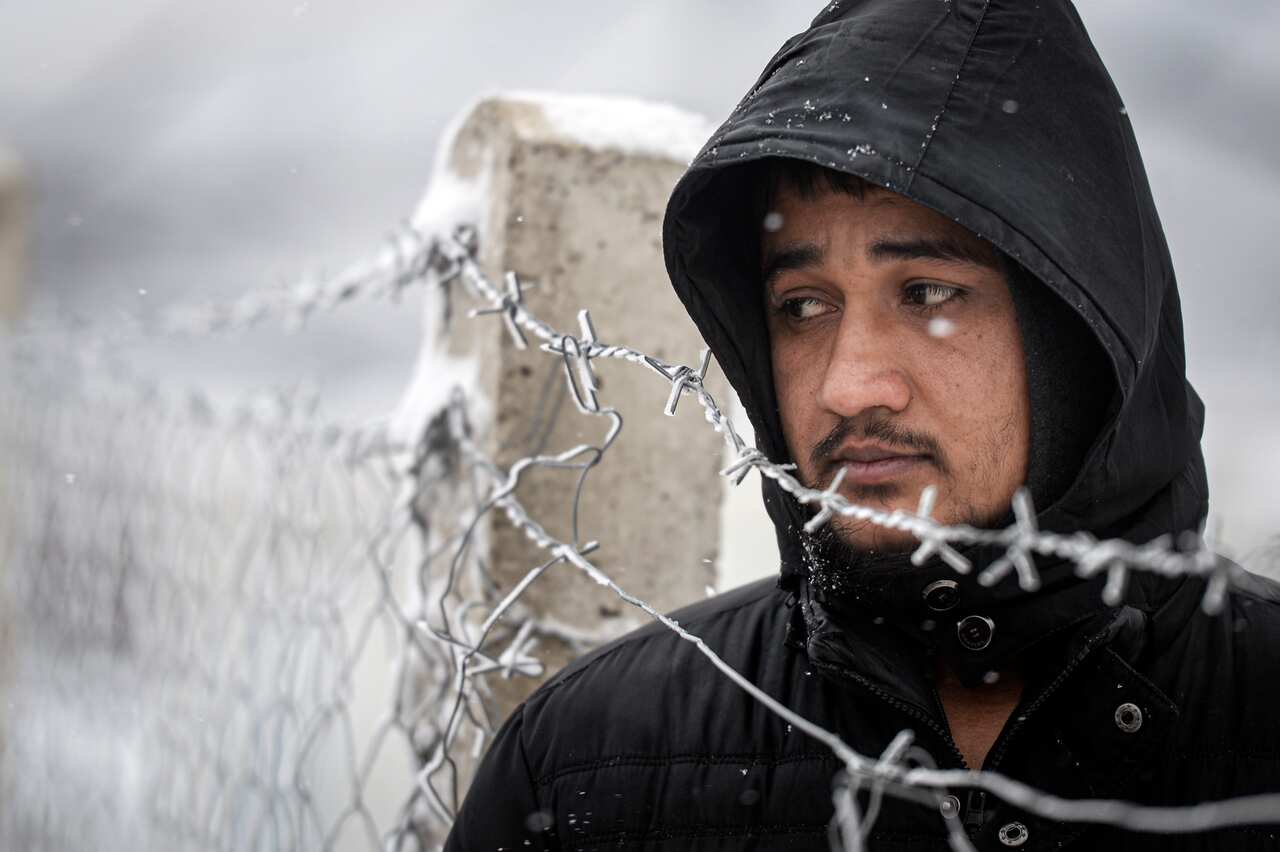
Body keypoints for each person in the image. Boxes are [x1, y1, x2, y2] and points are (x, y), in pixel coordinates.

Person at [444, 1, 1280, 849]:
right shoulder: (592, 767)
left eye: (927, 294)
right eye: (803, 306)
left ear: (1075, 331)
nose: (846, 388)